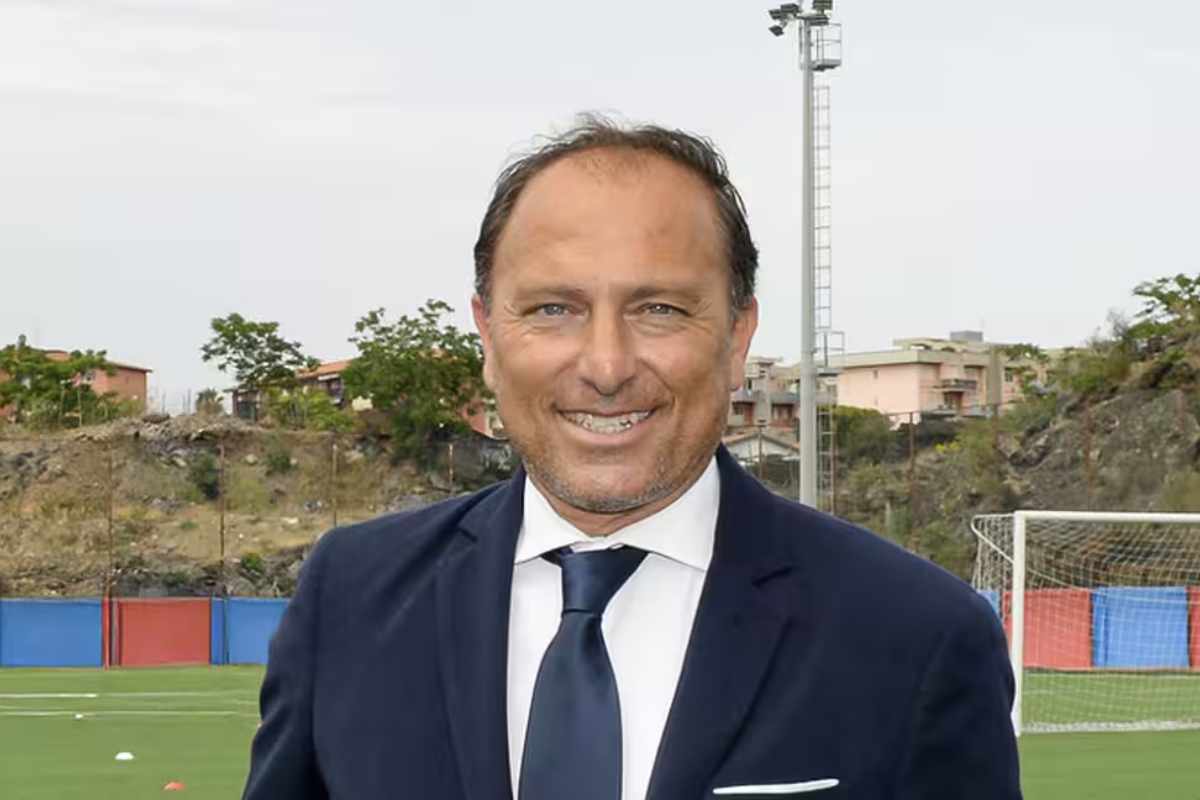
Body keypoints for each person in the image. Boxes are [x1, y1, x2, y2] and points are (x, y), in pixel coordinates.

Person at [243, 116, 1021, 800]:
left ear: (737, 337)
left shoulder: (916, 634)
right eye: (554, 309)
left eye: (660, 309)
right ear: (488, 335)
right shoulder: (350, 599)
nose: (607, 365)